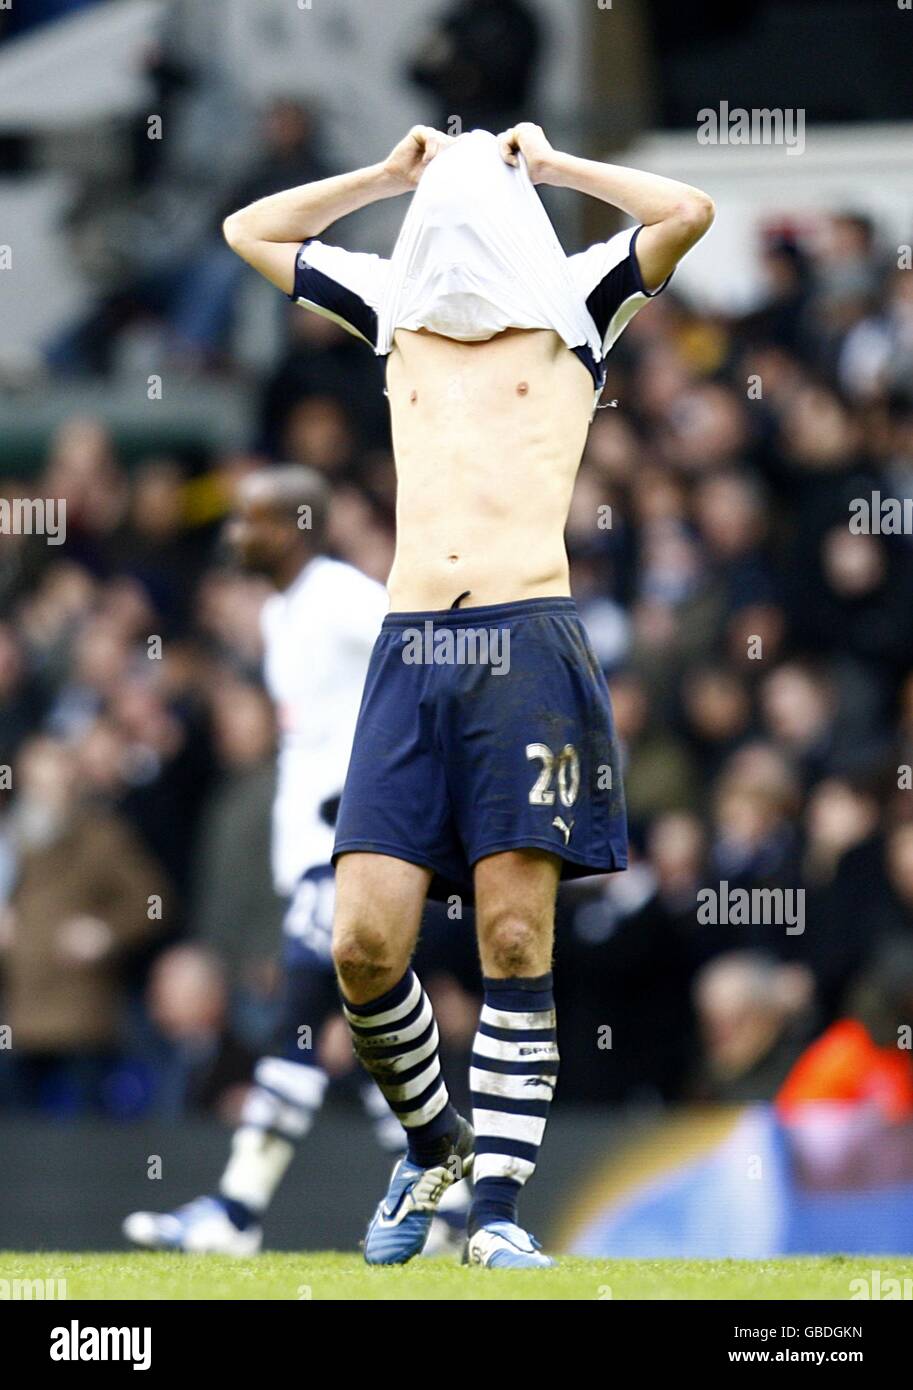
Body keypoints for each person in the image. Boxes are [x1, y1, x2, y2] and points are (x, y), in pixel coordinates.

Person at [222, 124, 714, 1266]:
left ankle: (494, 1212)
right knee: (362, 946)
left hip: (525, 641)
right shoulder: (390, 299)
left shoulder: (577, 297)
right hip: (412, 645)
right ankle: (433, 1138)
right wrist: (382, 177)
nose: (448, 204)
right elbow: (250, 229)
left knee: (508, 931)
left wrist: (553, 167)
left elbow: (685, 209)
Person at [124, 466, 472, 1253]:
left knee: (301, 1028)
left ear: (297, 525)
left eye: (254, 519)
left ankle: (236, 1213)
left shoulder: (341, 597)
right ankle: (443, 1203)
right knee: (357, 1035)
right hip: (314, 855)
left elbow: (430, 662)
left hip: (349, 847)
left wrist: (383, 788)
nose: (237, 534)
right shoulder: (283, 611)